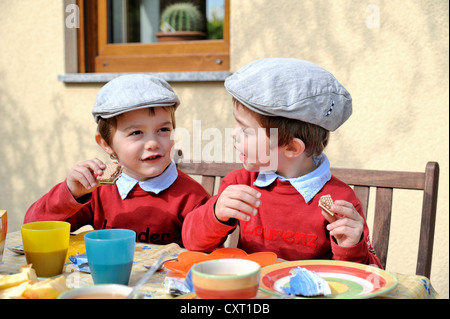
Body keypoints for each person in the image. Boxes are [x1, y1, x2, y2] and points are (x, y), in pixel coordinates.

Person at [182, 58, 381, 267]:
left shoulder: (338, 200)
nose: (233, 133)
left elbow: (366, 275)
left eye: (245, 130)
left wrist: (351, 246)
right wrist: (216, 214)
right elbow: (193, 243)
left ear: (292, 148)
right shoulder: (240, 183)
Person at [25, 74, 210, 246]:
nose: (153, 143)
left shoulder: (192, 197)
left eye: (163, 130)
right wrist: (71, 193)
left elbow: (207, 253)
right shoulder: (97, 190)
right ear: (106, 144)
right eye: (136, 133)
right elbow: (34, 228)